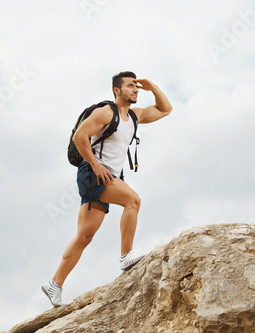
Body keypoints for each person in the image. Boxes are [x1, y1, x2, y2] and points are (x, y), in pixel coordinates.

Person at [42, 71, 173, 307]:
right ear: (116, 90)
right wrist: (95, 165)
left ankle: (55, 284)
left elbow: (165, 109)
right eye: (130, 86)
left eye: (136, 86)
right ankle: (126, 256)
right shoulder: (105, 112)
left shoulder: (134, 116)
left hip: (107, 176)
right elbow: (80, 137)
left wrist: (152, 86)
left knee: (85, 236)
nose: (135, 90)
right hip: (93, 173)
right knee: (133, 200)